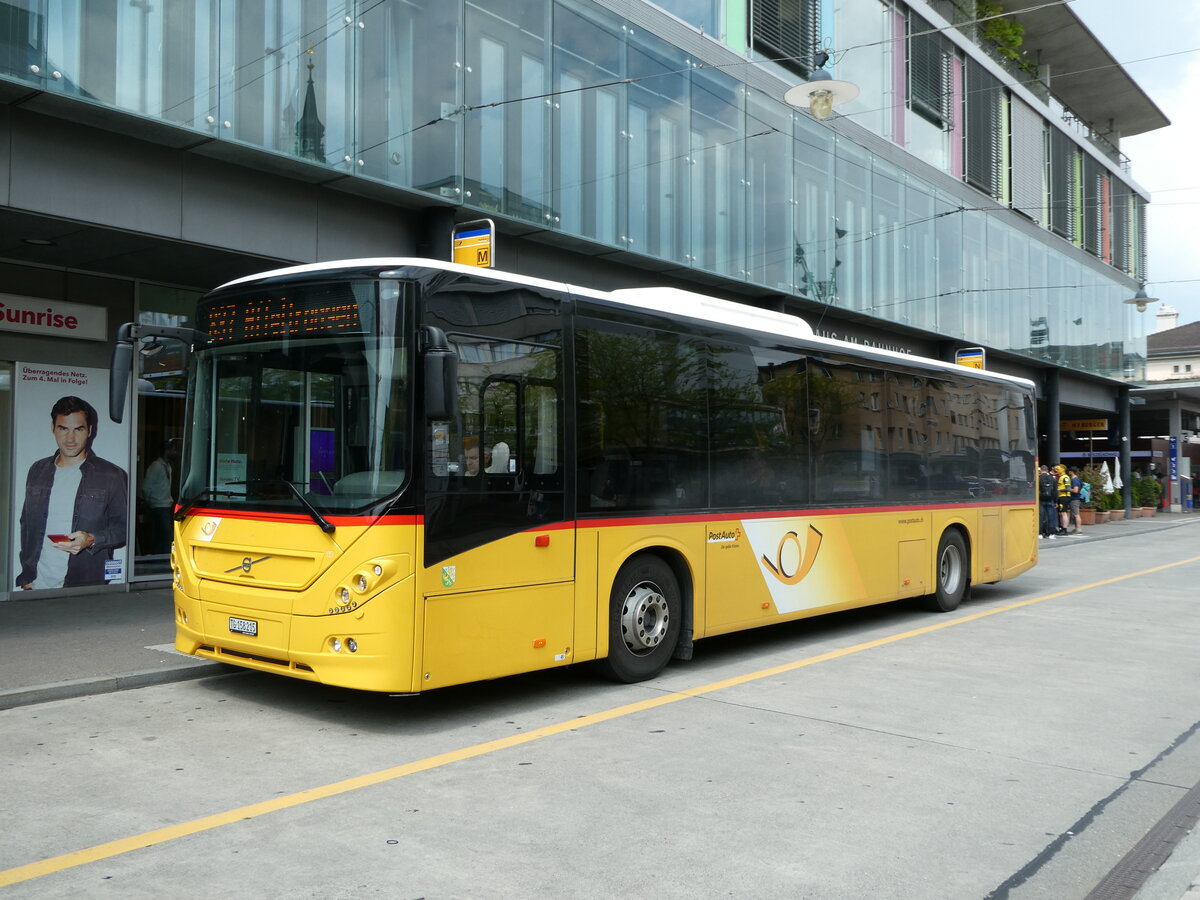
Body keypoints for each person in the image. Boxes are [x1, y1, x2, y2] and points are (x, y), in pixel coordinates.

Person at [17, 396, 128, 590]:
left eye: (78, 429)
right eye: (63, 428)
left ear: (90, 431)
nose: (70, 438)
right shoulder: (37, 470)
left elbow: (124, 529)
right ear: (53, 428)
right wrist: (27, 576)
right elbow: (27, 524)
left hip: (84, 582)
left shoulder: (111, 475)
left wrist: (91, 539)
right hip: (37, 583)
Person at [141, 437, 180, 554]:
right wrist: (150, 502)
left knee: (160, 536)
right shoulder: (156, 466)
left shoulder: (167, 466)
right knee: (167, 536)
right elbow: (146, 487)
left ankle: (157, 556)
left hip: (166, 505)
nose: (175, 453)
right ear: (167, 451)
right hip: (158, 506)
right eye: (173, 450)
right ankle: (163, 558)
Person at [1037, 464, 1058, 540]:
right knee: (1051, 517)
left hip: (1041, 500)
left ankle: (1040, 534)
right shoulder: (1052, 478)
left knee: (1041, 517)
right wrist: (1055, 501)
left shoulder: (1038, 478)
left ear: (1041, 470)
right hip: (1050, 500)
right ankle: (1051, 534)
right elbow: (1055, 491)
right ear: (1047, 470)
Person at [1055, 464, 1071, 535]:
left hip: (1064, 497)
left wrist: (1059, 490)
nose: (1057, 471)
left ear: (1063, 469)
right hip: (1060, 497)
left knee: (1064, 513)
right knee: (1061, 513)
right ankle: (1062, 528)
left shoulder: (1065, 477)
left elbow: (1068, 489)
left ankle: (1065, 529)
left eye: (1058, 469)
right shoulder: (1060, 477)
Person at [1067, 467, 1083, 534]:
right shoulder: (1077, 479)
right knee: (1075, 514)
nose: (1068, 472)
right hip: (1075, 498)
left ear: (1071, 472)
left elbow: (1076, 490)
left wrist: (1068, 489)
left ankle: (1079, 529)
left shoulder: (1074, 480)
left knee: (1076, 514)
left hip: (1074, 499)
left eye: (1069, 471)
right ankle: (1076, 528)